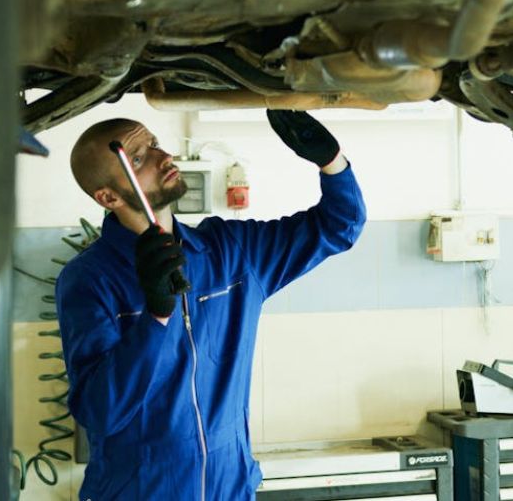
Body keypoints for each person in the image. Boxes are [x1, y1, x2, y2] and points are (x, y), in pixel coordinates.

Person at [56, 110, 366, 500]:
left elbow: (341, 226)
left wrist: (331, 161)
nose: (162, 156)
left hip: (229, 490)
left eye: (153, 143)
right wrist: (155, 316)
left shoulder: (231, 252)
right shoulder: (89, 279)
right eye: (137, 158)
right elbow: (100, 412)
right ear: (108, 197)